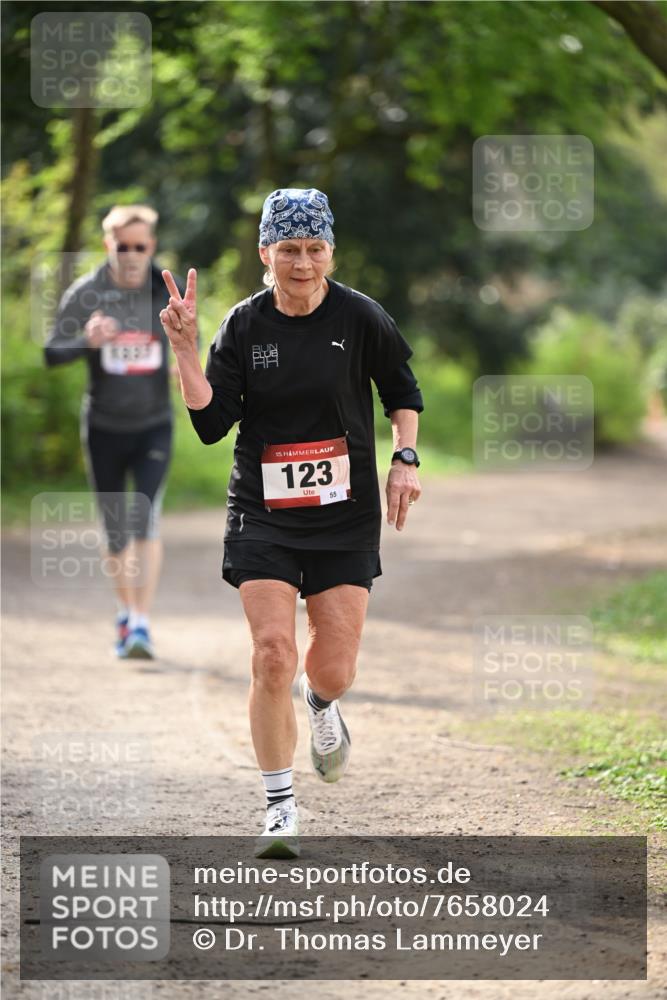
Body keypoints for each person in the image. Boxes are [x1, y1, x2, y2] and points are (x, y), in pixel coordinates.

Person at [161, 188, 423, 857]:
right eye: (288, 250)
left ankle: (323, 705)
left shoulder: (359, 316)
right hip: (262, 511)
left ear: (330, 251)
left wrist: (404, 457)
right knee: (272, 654)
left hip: (345, 513)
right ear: (264, 253)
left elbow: (402, 390)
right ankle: (279, 809)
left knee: (330, 668)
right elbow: (212, 423)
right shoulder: (246, 325)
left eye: (313, 249)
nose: (301, 263)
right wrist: (187, 352)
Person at [44, 204, 184, 659]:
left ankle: (141, 623)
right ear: (109, 245)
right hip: (103, 426)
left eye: (140, 246)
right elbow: (52, 353)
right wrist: (88, 339)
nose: (131, 254)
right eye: (122, 246)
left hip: (153, 425)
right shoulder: (88, 291)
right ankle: (125, 612)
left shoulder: (166, 288)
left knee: (145, 517)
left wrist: (182, 366)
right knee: (114, 528)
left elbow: (191, 342)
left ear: (152, 246)